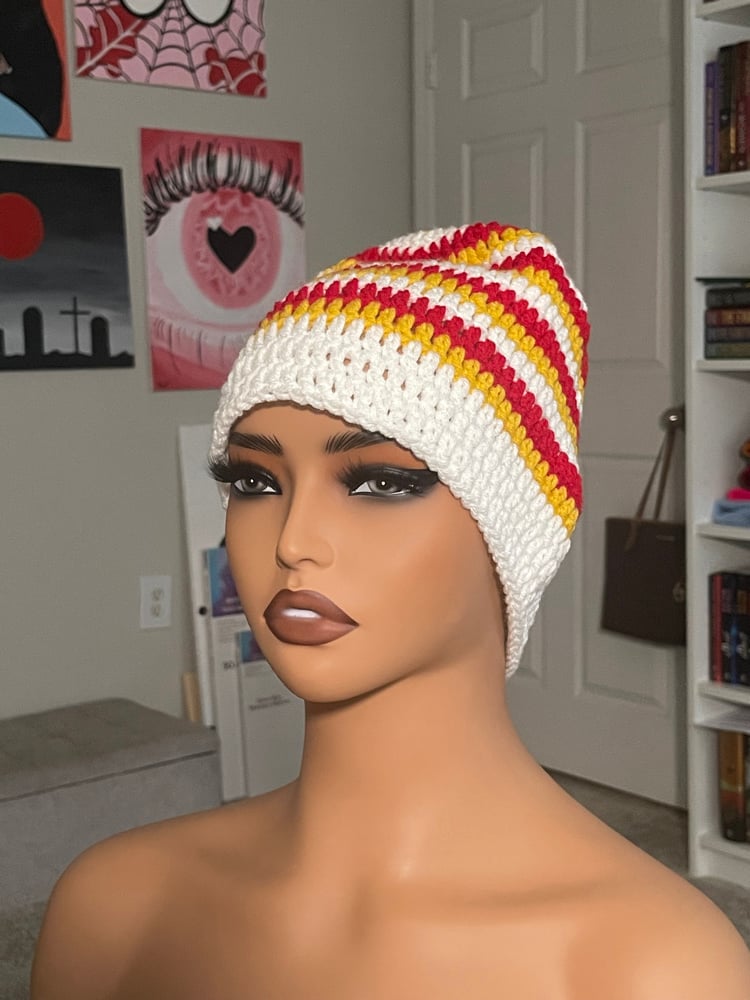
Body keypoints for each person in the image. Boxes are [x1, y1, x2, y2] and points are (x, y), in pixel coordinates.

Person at [31, 223, 750, 998]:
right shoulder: (115, 906)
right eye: (254, 482)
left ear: (516, 530)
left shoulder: (654, 969)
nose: (294, 541)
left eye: (378, 483)